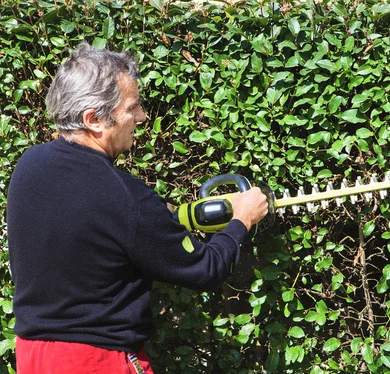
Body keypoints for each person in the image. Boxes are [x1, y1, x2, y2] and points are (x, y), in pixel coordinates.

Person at [6, 43, 268, 373]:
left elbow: (89, 238)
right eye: (133, 108)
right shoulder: (123, 196)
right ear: (95, 119)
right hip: (96, 362)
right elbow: (205, 269)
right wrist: (242, 219)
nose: (142, 117)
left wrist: (161, 221)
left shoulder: (29, 165)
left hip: (33, 357)